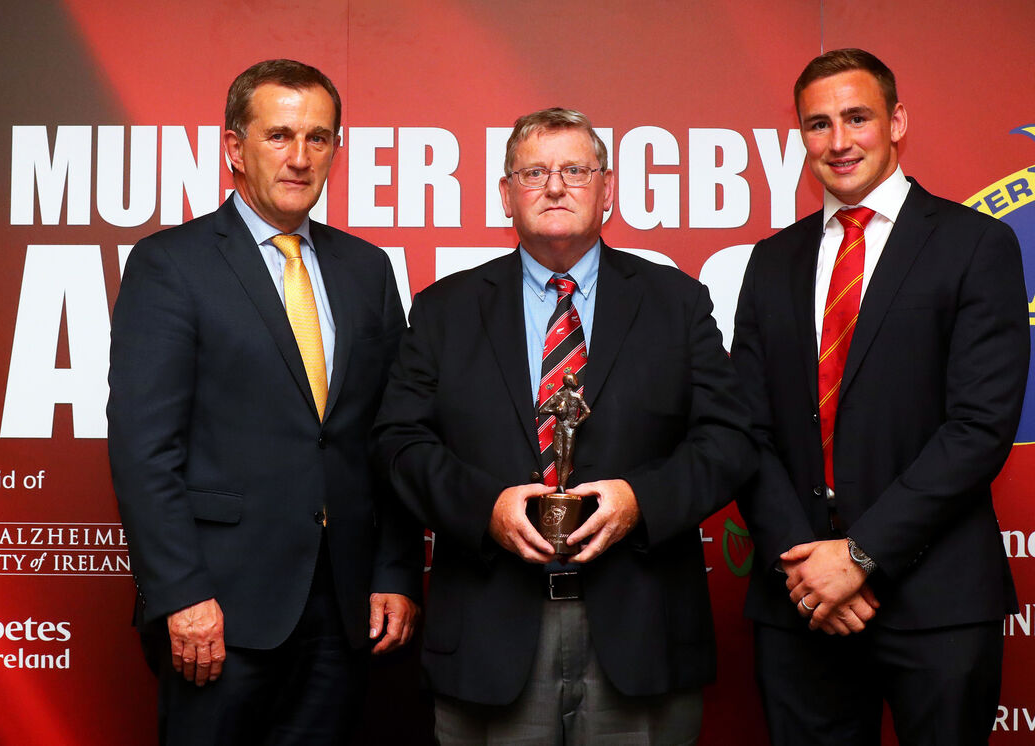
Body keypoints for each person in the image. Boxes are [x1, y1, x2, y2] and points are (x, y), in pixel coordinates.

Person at [373, 107, 755, 745]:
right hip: (491, 633)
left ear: (608, 190)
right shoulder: (445, 309)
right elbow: (397, 442)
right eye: (535, 172)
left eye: (576, 170)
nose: (555, 186)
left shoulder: (675, 302)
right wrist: (484, 508)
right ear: (506, 195)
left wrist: (643, 502)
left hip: (641, 628)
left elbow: (731, 439)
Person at [107, 59, 422, 745]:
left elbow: (390, 435)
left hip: (344, 611)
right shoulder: (172, 264)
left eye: (319, 137)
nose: (300, 157)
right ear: (233, 147)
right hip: (218, 610)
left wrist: (395, 570)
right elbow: (143, 449)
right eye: (279, 135)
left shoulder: (367, 269)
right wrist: (183, 595)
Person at [732, 48, 1028, 745]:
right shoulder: (771, 261)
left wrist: (857, 556)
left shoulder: (976, 245)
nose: (838, 142)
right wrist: (808, 565)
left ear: (897, 121)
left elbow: (979, 428)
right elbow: (744, 428)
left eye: (857, 117)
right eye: (818, 124)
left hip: (939, 601)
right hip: (801, 603)